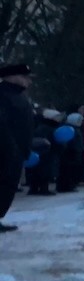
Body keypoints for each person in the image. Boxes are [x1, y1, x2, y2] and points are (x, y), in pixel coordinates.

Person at [0, 63, 34, 232]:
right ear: (11, 77)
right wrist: (11, 148)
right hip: (6, 151)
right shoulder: (3, 95)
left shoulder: (19, 96)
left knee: (8, 186)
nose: (28, 81)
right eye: (24, 77)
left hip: (17, 151)